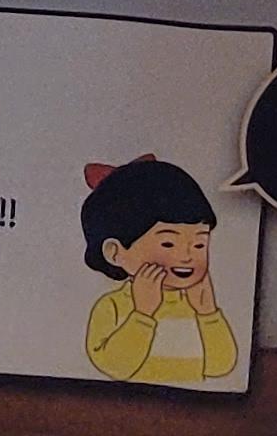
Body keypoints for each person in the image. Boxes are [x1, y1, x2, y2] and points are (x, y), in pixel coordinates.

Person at [80, 155, 239, 385]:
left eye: (199, 244)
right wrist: (142, 314)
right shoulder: (113, 306)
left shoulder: (196, 305)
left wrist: (208, 314)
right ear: (115, 253)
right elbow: (114, 368)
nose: (187, 256)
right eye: (168, 244)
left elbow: (220, 367)